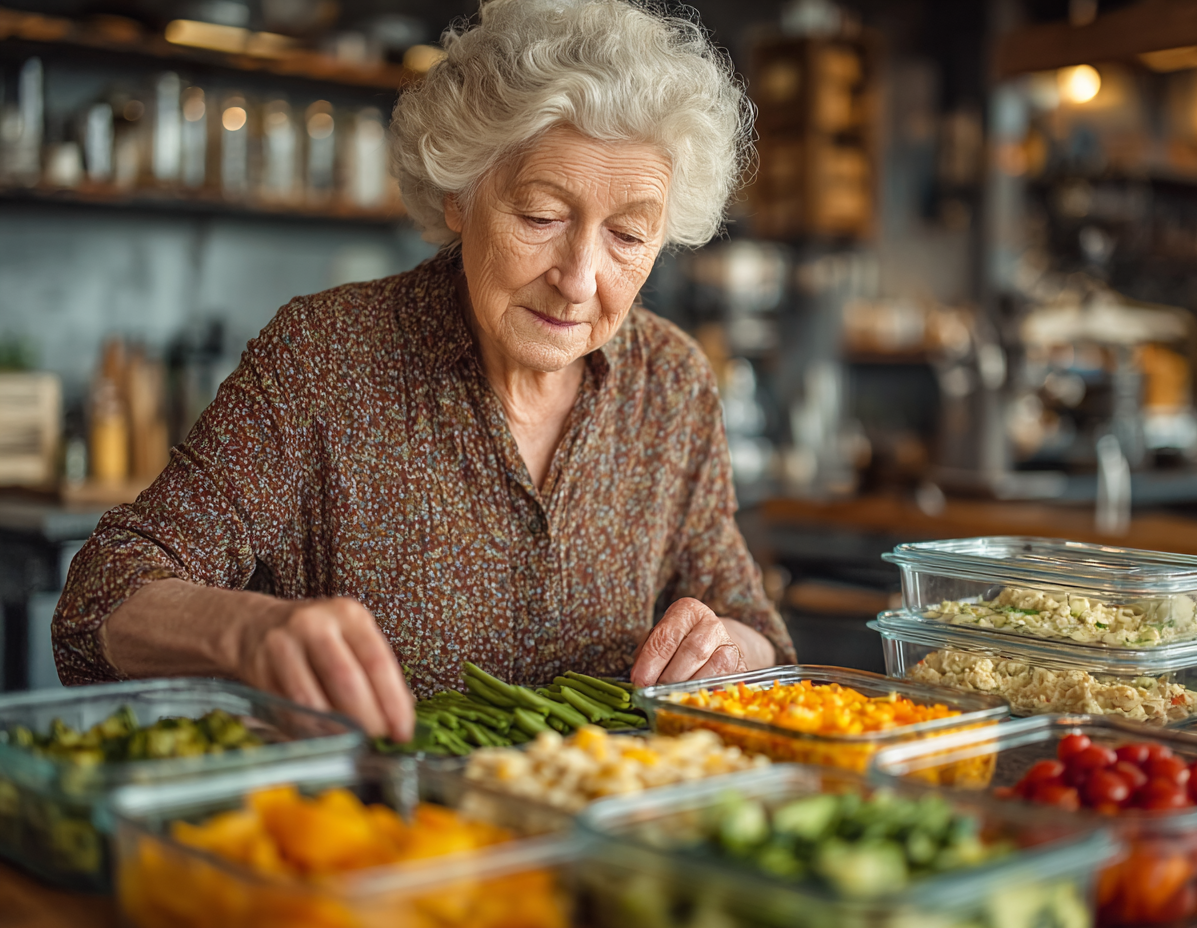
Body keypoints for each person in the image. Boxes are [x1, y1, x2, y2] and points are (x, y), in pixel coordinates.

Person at [52, 0, 796, 742]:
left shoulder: (671, 381)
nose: (579, 280)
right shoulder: (324, 357)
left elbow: (757, 631)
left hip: (602, 811)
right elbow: (101, 595)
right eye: (540, 217)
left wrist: (723, 650)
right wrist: (246, 630)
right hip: (374, 810)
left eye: (628, 235)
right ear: (458, 195)